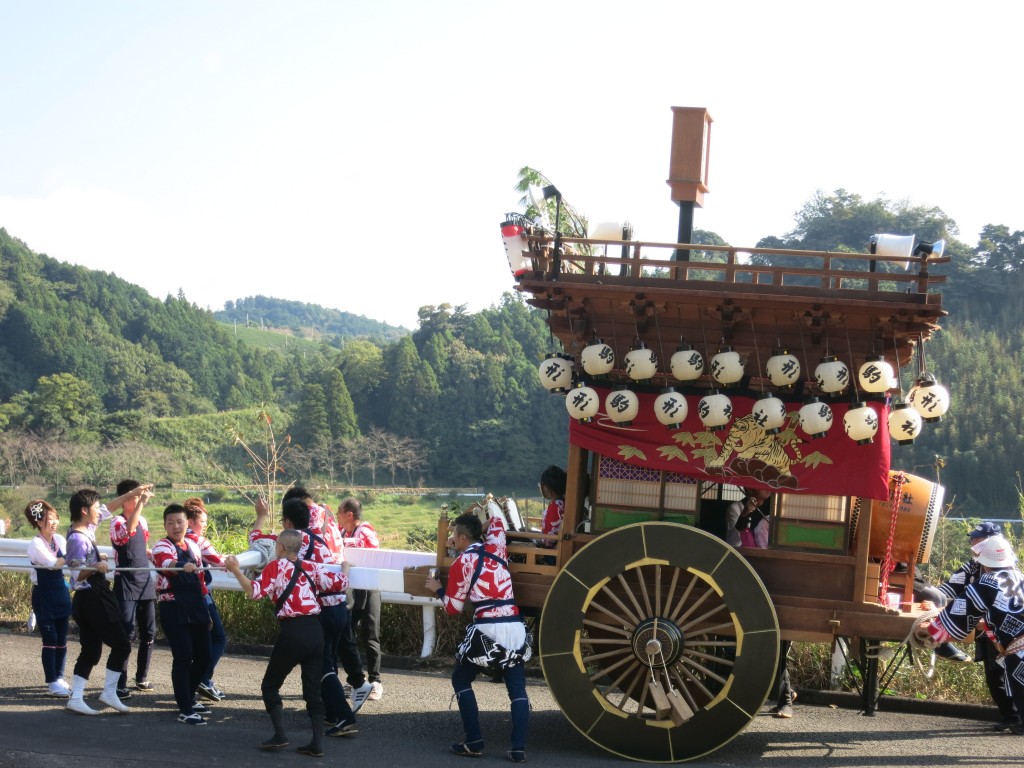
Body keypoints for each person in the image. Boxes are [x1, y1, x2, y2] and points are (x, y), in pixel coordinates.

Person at [225, 528, 348, 757]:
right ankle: (316, 744)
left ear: (280, 547)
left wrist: (235, 570)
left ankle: (280, 736)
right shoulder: (312, 566)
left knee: (270, 685)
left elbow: (254, 592)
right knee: (312, 691)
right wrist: (345, 568)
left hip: (292, 632)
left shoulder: (275, 566)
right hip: (315, 631)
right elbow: (340, 583)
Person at [425, 512, 531, 763]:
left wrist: (437, 588)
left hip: (487, 632)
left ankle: (474, 741)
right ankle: (518, 748)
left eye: (454, 536)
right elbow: (496, 521)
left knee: (461, 679)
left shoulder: (462, 562)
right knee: (517, 690)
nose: (452, 540)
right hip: (515, 627)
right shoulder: (496, 546)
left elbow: (453, 608)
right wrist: (477, 527)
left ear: (462, 538)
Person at [252, 495, 362, 736]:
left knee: (322, 666)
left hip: (319, 611)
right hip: (338, 607)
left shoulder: (291, 541)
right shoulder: (318, 539)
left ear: (287, 523)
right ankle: (330, 713)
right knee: (327, 662)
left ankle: (344, 716)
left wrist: (260, 515)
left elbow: (256, 540)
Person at [919, 534, 1024, 736]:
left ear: (984, 562)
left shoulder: (988, 582)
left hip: (1020, 654)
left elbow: (958, 616)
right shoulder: (1020, 577)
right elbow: (1001, 618)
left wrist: (929, 628)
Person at [723, 488, 793, 717]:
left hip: (768, 574)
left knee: (780, 641)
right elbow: (734, 537)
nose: (766, 492)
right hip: (742, 567)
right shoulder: (735, 508)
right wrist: (746, 513)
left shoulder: (772, 519)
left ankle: (785, 697)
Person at [64, 488, 133, 715]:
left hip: (89, 599)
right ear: (84, 511)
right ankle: (109, 692)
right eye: (94, 508)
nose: (99, 512)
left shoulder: (85, 529)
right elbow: (75, 575)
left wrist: (133, 493)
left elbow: (108, 509)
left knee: (92, 649)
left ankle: (76, 698)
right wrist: (95, 566)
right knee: (122, 644)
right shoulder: (76, 538)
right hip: (93, 597)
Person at [152, 503, 212, 725]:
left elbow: (202, 582)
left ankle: (188, 695)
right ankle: (185, 709)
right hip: (173, 606)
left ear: (187, 523)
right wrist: (180, 566)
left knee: (204, 655)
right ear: (165, 525)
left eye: (180, 522)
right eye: (170, 523)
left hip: (196, 605)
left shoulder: (193, 546)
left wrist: (207, 613)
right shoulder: (161, 546)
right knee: (184, 657)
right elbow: (165, 564)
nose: (176, 526)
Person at [108, 479, 157, 699]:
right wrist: (140, 504)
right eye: (134, 496)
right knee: (126, 632)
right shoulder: (116, 521)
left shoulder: (143, 521)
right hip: (126, 581)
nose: (138, 499)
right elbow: (128, 531)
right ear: (124, 499)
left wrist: (151, 554)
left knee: (149, 631)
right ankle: (119, 682)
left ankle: (142, 677)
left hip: (144, 578)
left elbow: (142, 541)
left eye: (139, 496)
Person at [337, 496, 384, 702]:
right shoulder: (341, 532)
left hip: (370, 588)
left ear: (349, 514)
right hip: (352, 588)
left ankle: (375, 681)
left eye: (339, 512)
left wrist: (339, 541)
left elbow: (369, 548)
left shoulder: (365, 530)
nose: (337, 516)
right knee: (349, 633)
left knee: (370, 634)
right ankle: (356, 679)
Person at [24, 500, 73, 697]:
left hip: (61, 591)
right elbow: (54, 563)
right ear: (38, 522)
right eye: (48, 519)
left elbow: (69, 558)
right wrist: (71, 556)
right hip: (44, 595)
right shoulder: (36, 544)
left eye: (55, 518)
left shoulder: (59, 539)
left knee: (62, 636)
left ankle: (60, 676)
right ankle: (52, 682)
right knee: (50, 638)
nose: (54, 522)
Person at [183, 498, 228, 702]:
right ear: (191, 521)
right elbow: (220, 563)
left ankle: (198, 681)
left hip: (183, 598)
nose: (205, 526)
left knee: (196, 642)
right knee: (218, 637)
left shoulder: (177, 541)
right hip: (201, 595)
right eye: (202, 521)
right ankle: (203, 678)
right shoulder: (198, 541)